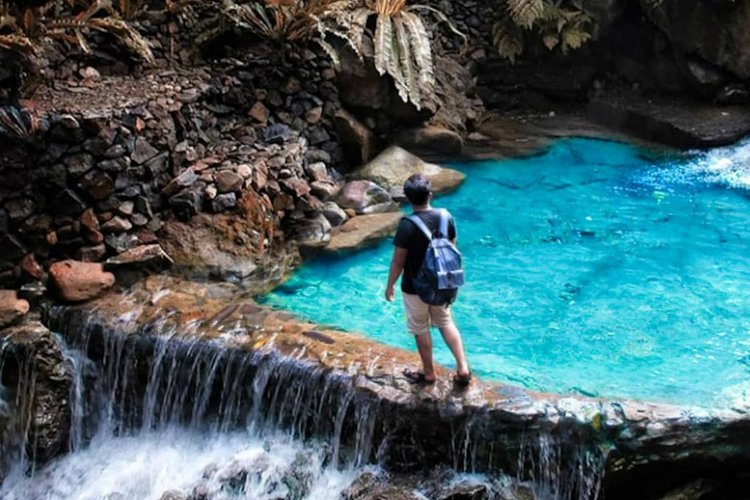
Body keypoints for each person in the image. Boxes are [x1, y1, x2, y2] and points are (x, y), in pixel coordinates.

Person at [385, 174, 472, 386]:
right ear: (430, 195)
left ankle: (429, 372)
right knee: (445, 322)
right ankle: (462, 368)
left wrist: (390, 286)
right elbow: (452, 248)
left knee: (420, 328)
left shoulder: (406, 225)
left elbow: (398, 261)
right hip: (442, 282)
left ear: (407, 199)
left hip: (414, 287)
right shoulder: (445, 217)